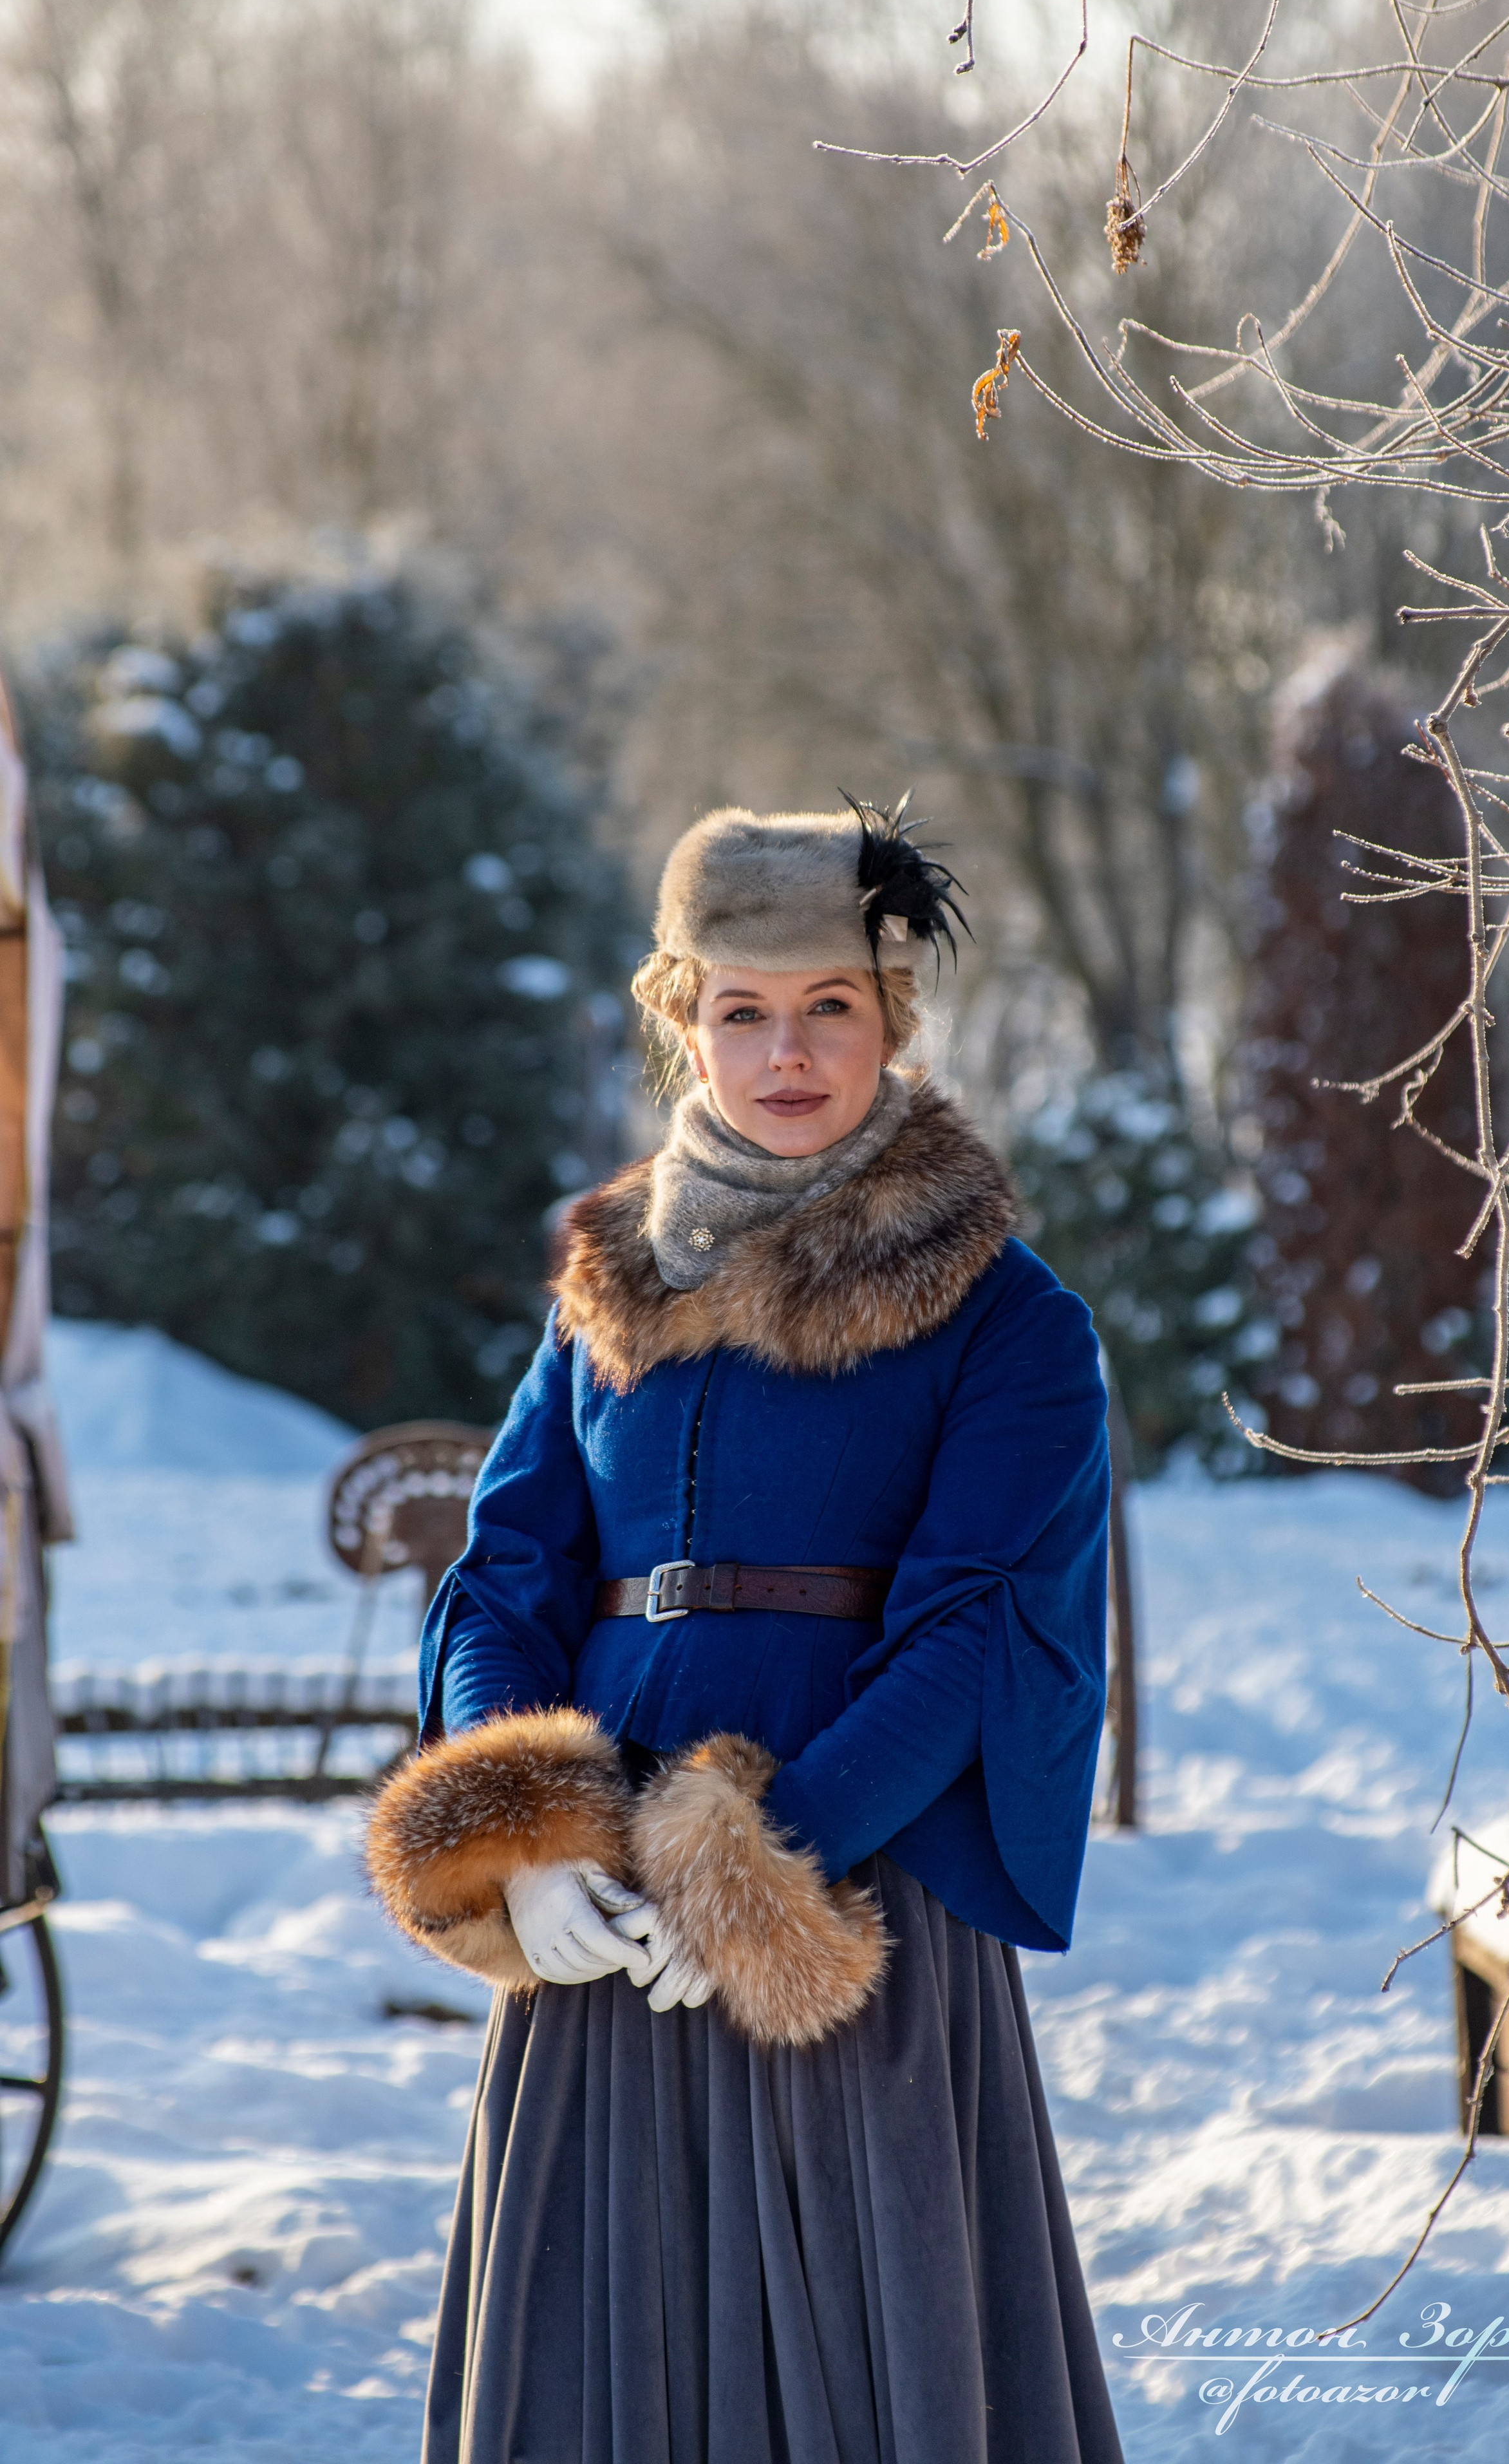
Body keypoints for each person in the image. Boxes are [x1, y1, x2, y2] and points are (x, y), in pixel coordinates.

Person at [367, 800, 1123, 2464]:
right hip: (600, 1926)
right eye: (743, 1010)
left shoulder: (1012, 1322)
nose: (787, 1052)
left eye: (828, 1009)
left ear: (892, 1016)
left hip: (852, 1928)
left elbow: (978, 1635)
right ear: (682, 1019)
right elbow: (505, 1579)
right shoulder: (603, 1294)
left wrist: (756, 1870)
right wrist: (523, 1841)